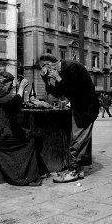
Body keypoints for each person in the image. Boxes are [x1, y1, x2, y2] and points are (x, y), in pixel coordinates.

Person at [38, 54, 99, 183]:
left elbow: (75, 91)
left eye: (42, 68)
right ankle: (78, 170)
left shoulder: (71, 67)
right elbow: (57, 93)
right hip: (79, 108)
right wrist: (46, 80)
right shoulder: (61, 71)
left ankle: (74, 171)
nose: (43, 71)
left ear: (49, 65)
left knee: (77, 141)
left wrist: (59, 78)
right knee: (76, 139)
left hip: (86, 108)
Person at [0, 71, 48, 185]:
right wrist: (22, 88)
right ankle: (26, 177)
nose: (11, 88)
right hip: (0, 138)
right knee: (30, 141)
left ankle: (37, 172)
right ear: (2, 84)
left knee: (31, 135)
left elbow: (13, 107)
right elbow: (16, 103)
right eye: (10, 85)